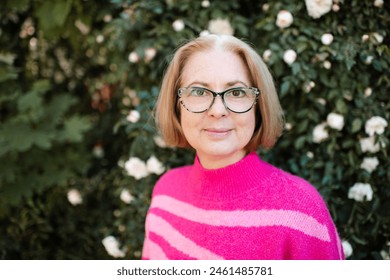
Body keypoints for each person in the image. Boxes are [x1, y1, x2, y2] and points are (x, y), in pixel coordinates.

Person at [142, 34, 344, 260]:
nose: (217, 110)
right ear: (176, 105)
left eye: (236, 92)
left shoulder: (300, 211)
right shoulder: (164, 194)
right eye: (199, 91)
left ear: (258, 107)